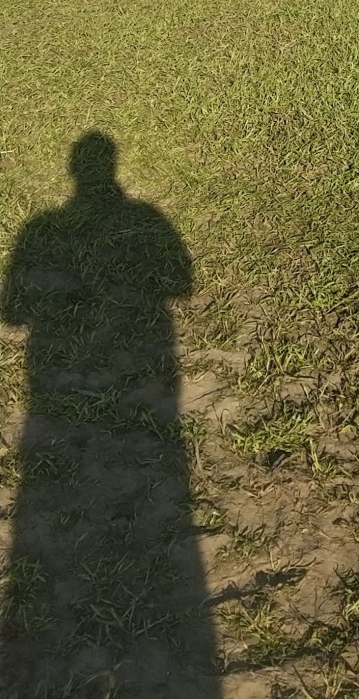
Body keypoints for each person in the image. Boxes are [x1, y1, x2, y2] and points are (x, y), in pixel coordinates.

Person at [0, 133, 220, 698]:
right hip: (146, 367)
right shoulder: (144, 217)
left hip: (54, 383)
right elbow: (181, 283)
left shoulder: (41, 229)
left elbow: (14, 311)